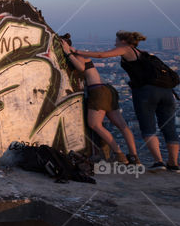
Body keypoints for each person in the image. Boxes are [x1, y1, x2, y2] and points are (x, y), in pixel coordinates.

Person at [72, 31, 179, 172]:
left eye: (116, 40)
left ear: (123, 41)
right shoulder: (143, 53)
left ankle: (159, 162)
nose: (114, 43)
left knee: (148, 128)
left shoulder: (125, 49)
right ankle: (173, 163)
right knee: (169, 128)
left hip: (146, 92)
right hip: (166, 92)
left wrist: (75, 51)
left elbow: (101, 55)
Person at [58, 35, 139, 165]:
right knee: (122, 125)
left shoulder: (77, 55)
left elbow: (81, 68)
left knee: (94, 124)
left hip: (98, 91)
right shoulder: (80, 54)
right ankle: (134, 157)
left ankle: (119, 154)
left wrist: (68, 52)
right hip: (108, 90)